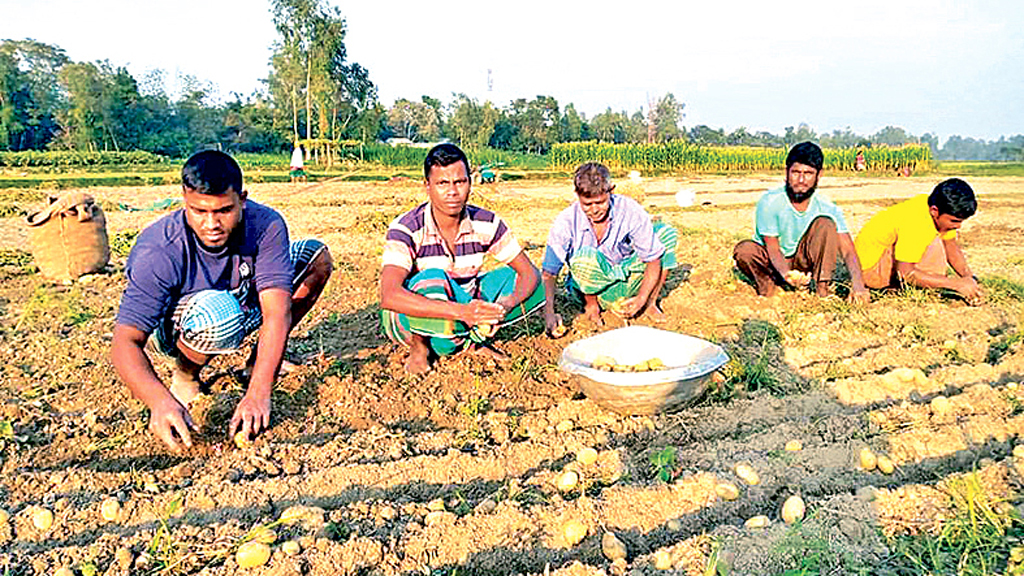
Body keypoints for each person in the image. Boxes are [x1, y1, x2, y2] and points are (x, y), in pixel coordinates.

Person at [111, 150, 333, 452]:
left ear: (242, 199)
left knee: (314, 257)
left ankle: (256, 366)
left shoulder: (265, 225)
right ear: (184, 200)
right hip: (180, 324)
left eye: (224, 211)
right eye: (199, 211)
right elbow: (125, 340)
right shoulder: (160, 249)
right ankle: (186, 376)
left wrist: (259, 391)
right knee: (220, 313)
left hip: (238, 297)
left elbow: (277, 311)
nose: (211, 224)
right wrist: (159, 401)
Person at [379, 143, 543, 374]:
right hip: (414, 321)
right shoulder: (406, 228)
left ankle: (470, 338)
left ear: (470, 183)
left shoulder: (486, 222)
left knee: (536, 281)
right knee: (433, 278)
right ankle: (422, 349)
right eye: (442, 183)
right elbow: (389, 296)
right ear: (427, 186)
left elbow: (527, 272)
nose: (453, 192)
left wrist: (501, 307)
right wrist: (464, 312)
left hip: (464, 305)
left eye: (460, 182)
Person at [541, 162, 678, 332]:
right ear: (577, 196)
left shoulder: (630, 210)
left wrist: (642, 298)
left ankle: (650, 303)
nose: (594, 210)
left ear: (611, 191)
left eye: (600, 202)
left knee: (665, 236)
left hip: (624, 279)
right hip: (588, 291)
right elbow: (549, 273)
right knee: (585, 258)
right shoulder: (566, 221)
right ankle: (591, 306)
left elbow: (653, 258)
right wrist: (549, 315)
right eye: (587, 204)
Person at [733, 142, 869, 302]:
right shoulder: (770, 201)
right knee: (745, 250)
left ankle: (822, 290)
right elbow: (773, 248)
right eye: (796, 172)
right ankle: (768, 287)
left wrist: (858, 285)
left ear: (819, 175)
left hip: (803, 262)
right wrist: (787, 275)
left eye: (808, 173)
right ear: (786, 172)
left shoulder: (826, 206)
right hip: (773, 261)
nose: (801, 180)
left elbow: (848, 250)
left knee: (826, 224)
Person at [855, 178, 982, 304]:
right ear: (934, 211)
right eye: (954, 221)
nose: (958, 226)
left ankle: (901, 286)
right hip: (867, 272)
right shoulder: (918, 221)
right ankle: (901, 287)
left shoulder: (931, 207)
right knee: (934, 245)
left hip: (877, 264)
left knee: (937, 241)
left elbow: (950, 246)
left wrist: (969, 278)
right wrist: (956, 284)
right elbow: (905, 273)